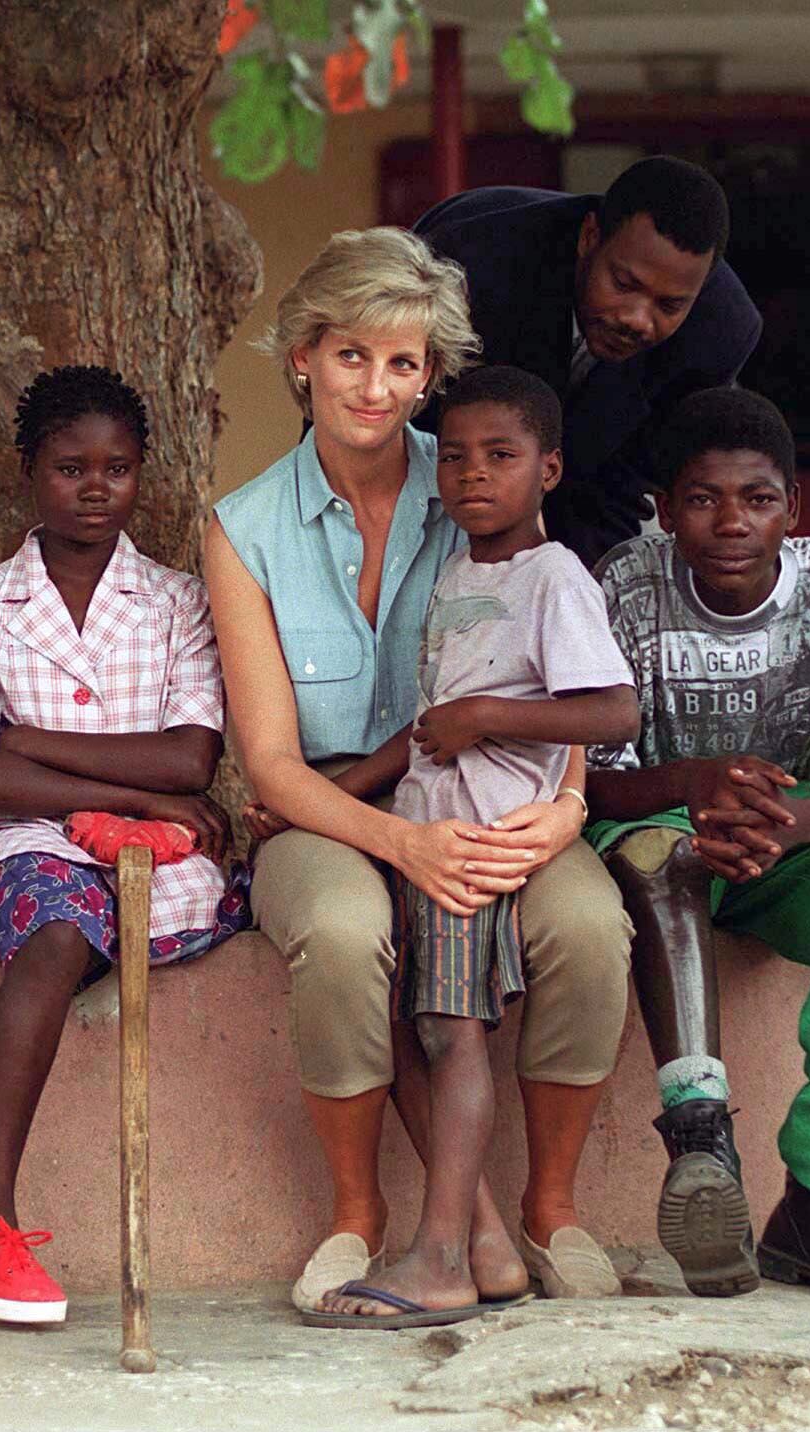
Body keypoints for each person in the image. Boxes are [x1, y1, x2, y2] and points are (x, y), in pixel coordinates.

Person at [206, 228, 636, 1314]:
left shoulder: (479, 473)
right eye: (351, 356)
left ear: (430, 374)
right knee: (349, 935)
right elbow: (269, 762)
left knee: (586, 925)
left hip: (499, 803)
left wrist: (570, 807)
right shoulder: (242, 529)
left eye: (404, 364)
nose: (377, 387)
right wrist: (402, 842)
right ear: (301, 357)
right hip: (330, 807)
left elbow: (562, 643)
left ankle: (547, 1209)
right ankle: (363, 1217)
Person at [584, 386, 810, 1310]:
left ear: (794, 506)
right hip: (663, 832)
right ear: (666, 511)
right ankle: (701, 1138)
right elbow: (586, 777)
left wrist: (784, 825)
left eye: (756, 499)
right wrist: (692, 787)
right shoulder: (625, 583)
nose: (731, 523)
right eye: (703, 500)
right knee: (651, 857)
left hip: (800, 830)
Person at [307, 366, 639, 1329]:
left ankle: (442, 1255)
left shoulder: (555, 576)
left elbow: (615, 708)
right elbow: (427, 728)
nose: (472, 476)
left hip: (477, 847)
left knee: (454, 1036)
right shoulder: (461, 571)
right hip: (428, 827)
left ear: (551, 469)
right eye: (453, 457)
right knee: (417, 1029)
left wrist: (490, 716)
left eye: (501, 457)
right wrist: (329, 799)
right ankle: (482, 1248)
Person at [0, 365, 249, 1325]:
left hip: (162, 853)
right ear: (30, 472)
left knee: (160, 898)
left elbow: (192, 757)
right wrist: (115, 788)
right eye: (71, 468)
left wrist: (25, 743)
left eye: (118, 468)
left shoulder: (179, 599)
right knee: (60, 928)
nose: (95, 487)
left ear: (143, 473)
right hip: (21, 846)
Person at [413, 156, 762, 567]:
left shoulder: (720, 332)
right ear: (589, 236)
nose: (637, 319)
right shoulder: (470, 265)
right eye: (624, 284)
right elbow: (412, 424)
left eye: (669, 305)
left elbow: (621, 486)